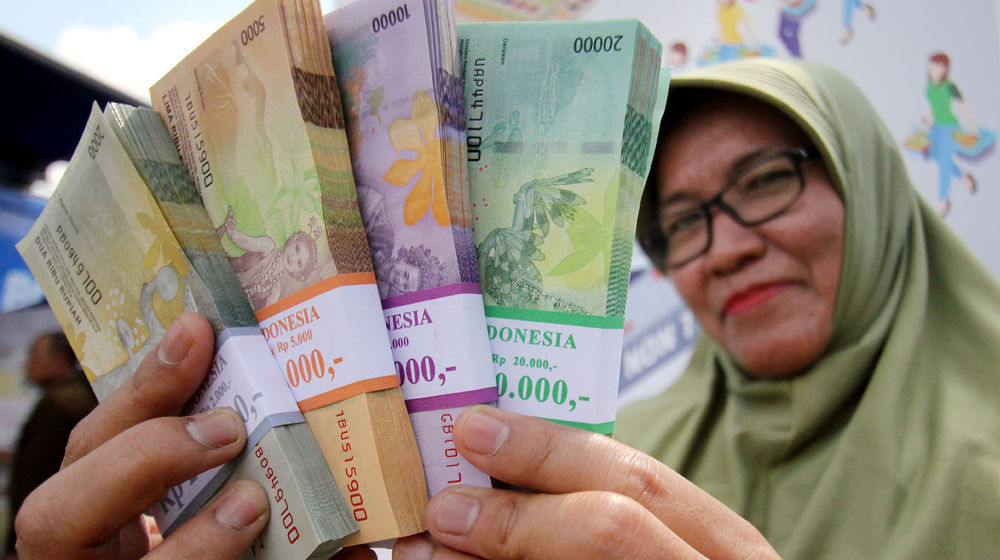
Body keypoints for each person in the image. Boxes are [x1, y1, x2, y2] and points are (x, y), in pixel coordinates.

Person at [12, 58, 1000, 559]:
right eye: (684, 219)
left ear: (866, 190)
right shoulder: (614, 456)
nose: (727, 242)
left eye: (766, 179)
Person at [4, 332, 97, 559]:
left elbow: (35, 474)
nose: (28, 364)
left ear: (58, 360)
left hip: (45, 529)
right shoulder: (79, 397)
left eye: (34, 356)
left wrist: (14, 545)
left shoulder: (59, 406)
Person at [922, 51, 978, 217]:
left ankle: (943, 200)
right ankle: (963, 177)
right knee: (934, 154)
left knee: (944, 161)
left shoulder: (950, 87)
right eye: (931, 66)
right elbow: (931, 108)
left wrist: (973, 128)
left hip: (950, 127)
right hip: (936, 127)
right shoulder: (930, 87)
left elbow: (963, 109)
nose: (933, 69)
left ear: (944, 69)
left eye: (937, 66)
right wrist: (927, 124)